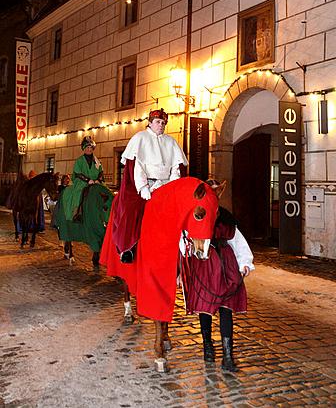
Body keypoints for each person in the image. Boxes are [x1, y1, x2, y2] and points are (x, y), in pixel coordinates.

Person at [179, 179, 254, 372]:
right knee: (205, 308)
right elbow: (184, 242)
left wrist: (245, 262)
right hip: (204, 265)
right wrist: (181, 270)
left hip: (226, 267)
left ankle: (228, 356)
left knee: (226, 309)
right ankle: (207, 347)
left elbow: (238, 240)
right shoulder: (196, 215)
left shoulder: (226, 218)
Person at [110, 107, 188, 263]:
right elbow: (136, 166)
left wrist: (172, 185)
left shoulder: (171, 141)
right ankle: (128, 248)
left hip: (166, 185)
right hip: (144, 186)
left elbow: (176, 167)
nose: (161, 125)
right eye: (158, 122)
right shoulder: (140, 138)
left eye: (163, 123)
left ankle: (185, 247)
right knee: (132, 211)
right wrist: (143, 187)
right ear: (150, 123)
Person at [62, 136, 105, 222]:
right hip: (82, 182)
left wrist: (98, 180)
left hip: (96, 182)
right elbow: (78, 173)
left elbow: (101, 172)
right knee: (78, 194)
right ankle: (76, 212)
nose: (89, 149)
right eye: (87, 147)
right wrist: (88, 180)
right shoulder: (79, 161)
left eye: (91, 147)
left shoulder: (97, 161)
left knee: (105, 193)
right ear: (84, 148)